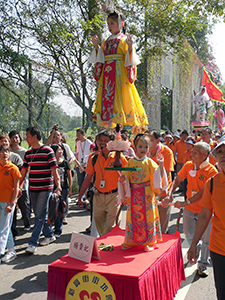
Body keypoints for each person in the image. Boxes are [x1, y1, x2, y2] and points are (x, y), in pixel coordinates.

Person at [164, 142, 218, 277]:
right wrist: (169, 194)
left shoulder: (212, 171)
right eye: (192, 151)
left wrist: (185, 202)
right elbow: (177, 179)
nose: (191, 154)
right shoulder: (188, 165)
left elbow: (202, 193)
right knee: (188, 235)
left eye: (195, 153)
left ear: (205, 155)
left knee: (207, 240)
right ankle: (196, 245)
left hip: (205, 211)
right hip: (189, 209)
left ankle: (202, 265)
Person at [89, 9, 148, 131]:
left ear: (121, 24)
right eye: (108, 24)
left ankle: (120, 122)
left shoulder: (124, 39)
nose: (109, 26)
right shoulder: (106, 41)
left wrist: (130, 46)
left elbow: (130, 58)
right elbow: (101, 57)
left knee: (120, 96)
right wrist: (96, 46)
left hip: (119, 73)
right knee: (108, 93)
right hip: (107, 74)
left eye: (112, 23)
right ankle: (112, 122)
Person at [187, 135, 225, 299]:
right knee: (222, 292)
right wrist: (194, 243)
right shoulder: (212, 182)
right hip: (219, 248)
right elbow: (204, 216)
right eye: (220, 152)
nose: (223, 155)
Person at [119, 134, 166, 252]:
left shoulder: (149, 162)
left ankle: (151, 241)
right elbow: (126, 177)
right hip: (134, 194)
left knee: (148, 216)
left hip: (147, 194)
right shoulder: (130, 162)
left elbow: (157, 177)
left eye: (146, 147)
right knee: (132, 216)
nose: (143, 150)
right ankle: (131, 240)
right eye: (140, 146)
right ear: (135, 147)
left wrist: (161, 165)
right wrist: (122, 181)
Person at [19, 126, 61, 254]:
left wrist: (58, 187)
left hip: (45, 188)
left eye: (27, 136)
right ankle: (49, 235)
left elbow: (55, 171)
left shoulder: (48, 151)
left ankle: (32, 243)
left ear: (35, 137)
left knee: (38, 216)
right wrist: (18, 187)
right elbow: (23, 172)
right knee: (40, 215)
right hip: (32, 188)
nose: (26, 139)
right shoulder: (28, 153)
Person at [77, 130, 127, 236]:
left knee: (111, 228)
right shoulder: (93, 158)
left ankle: (110, 249)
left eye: (105, 140)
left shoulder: (119, 158)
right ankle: (106, 248)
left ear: (111, 143)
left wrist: (126, 196)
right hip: (98, 196)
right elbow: (88, 178)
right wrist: (80, 196)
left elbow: (127, 177)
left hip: (114, 196)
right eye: (100, 140)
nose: (102, 142)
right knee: (101, 228)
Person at [147, 130, 174, 233]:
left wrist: (160, 193)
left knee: (161, 225)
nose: (147, 143)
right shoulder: (144, 151)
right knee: (149, 224)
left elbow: (166, 175)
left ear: (158, 140)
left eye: (150, 140)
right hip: (148, 192)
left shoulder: (167, 152)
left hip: (162, 193)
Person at [0, 145, 21, 263]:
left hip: (8, 202)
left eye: (7, 151)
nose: (5, 154)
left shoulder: (13, 168)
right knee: (4, 228)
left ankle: (1, 251)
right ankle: (12, 250)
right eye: (2, 152)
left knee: (3, 228)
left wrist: (12, 204)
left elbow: (17, 187)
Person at [9, 130, 31, 231]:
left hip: (23, 182)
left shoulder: (24, 152)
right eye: (12, 137)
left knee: (24, 204)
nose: (15, 139)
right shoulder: (6, 152)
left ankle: (27, 224)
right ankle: (12, 226)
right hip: (9, 185)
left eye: (16, 137)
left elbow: (27, 168)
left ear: (20, 139)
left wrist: (21, 183)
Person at [50, 144, 72, 238]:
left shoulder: (65, 162)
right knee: (51, 209)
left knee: (60, 209)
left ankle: (58, 229)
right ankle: (50, 228)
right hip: (51, 189)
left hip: (63, 189)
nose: (61, 151)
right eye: (59, 150)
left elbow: (69, 177)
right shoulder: (50, 163)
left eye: (61, 150)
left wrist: (70, 189)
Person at [75, 128, 92, 198]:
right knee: (80, 182)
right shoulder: (78, 143)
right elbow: (77, 154)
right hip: (80, 165)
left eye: (79, 135)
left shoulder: (89, 143)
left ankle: (87, 197)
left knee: (87, 182)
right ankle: (80, 197)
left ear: (84, 135)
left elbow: (91, 154)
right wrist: (77, 165)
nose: (77, 137)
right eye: (77, 135)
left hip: (87, 165)